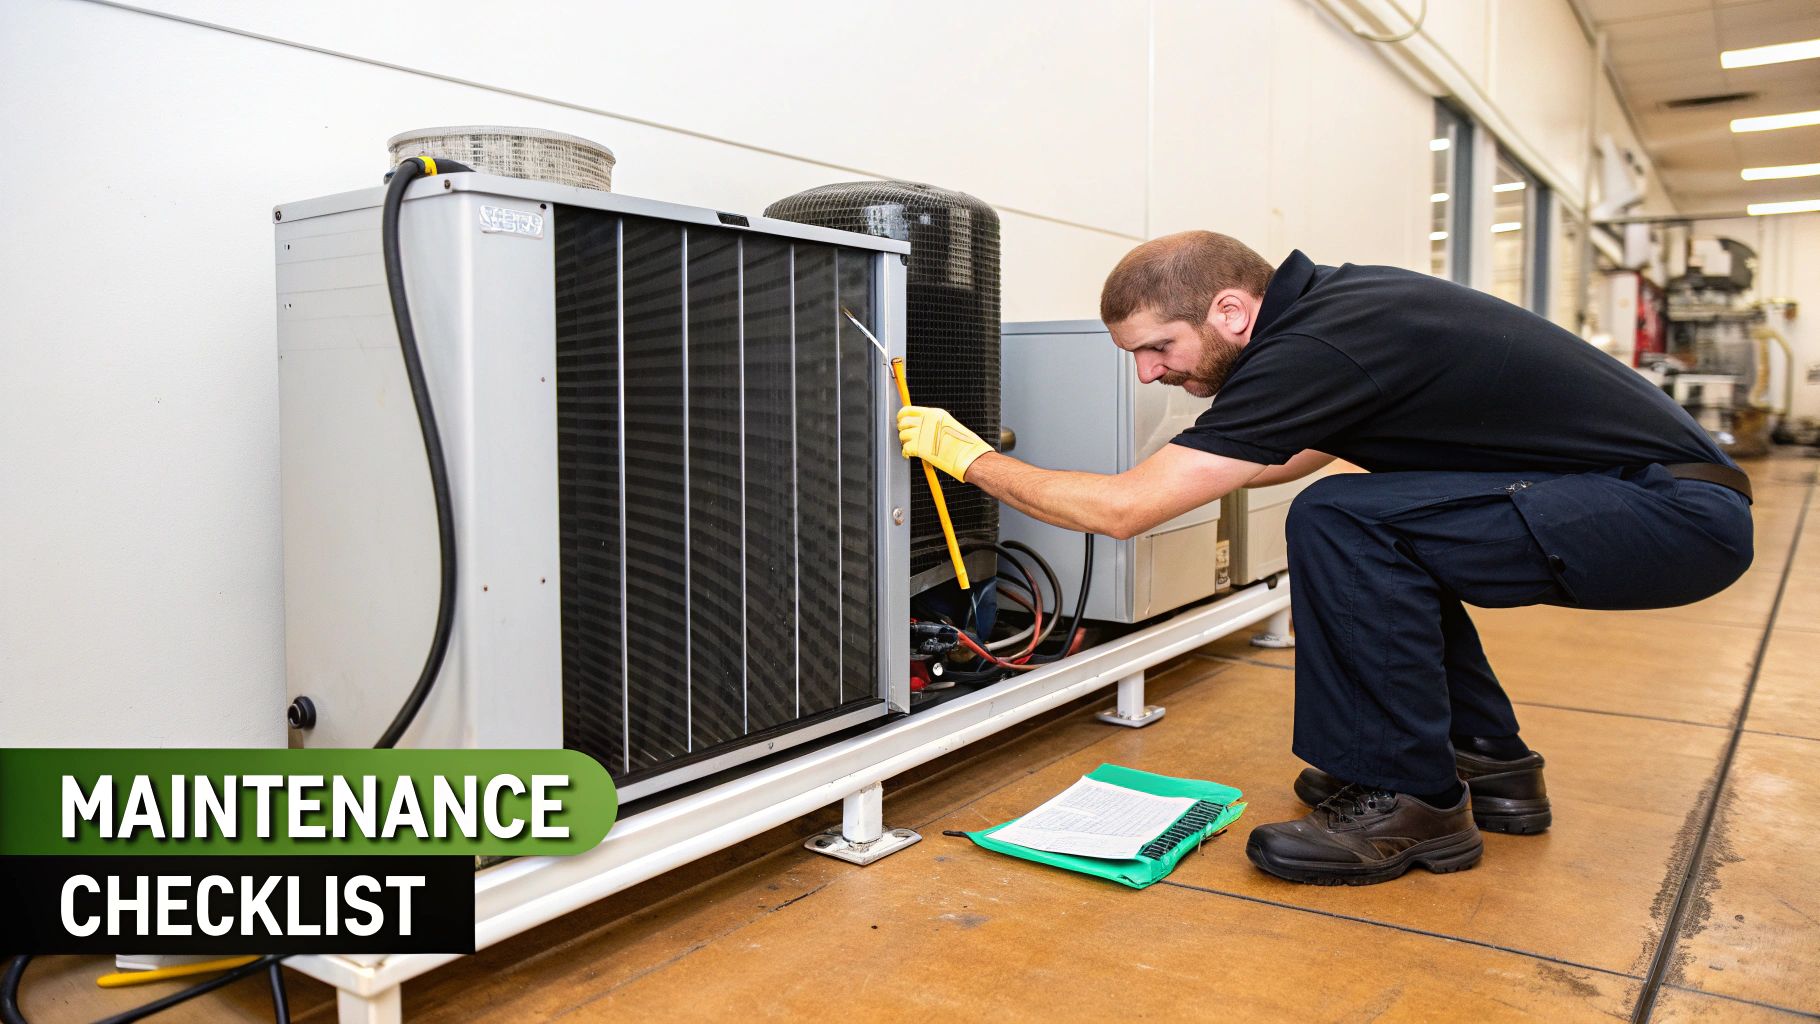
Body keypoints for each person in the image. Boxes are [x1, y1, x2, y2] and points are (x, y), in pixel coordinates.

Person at [897, 231, 1754, 886]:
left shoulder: (1318, 343)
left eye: (1159, 349)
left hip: (1669, 515)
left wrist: (969, 458)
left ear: (1230, 312)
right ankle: (1486, 765)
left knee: (1344, 519)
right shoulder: (1337, 318)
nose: (1149, 375)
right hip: (1652, 504)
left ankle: (1411, 801)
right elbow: (1282, 453)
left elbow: (1125, 512)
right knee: (1368, 517)